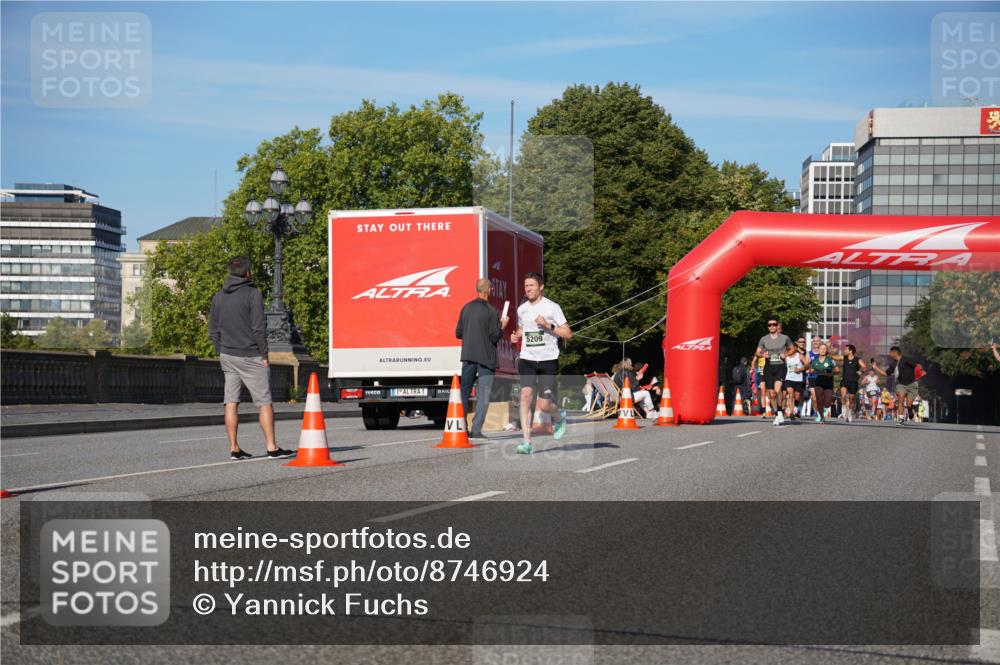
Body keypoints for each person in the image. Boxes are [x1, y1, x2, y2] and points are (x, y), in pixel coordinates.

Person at [208, 256, 293, 460]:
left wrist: (221, 350)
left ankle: (234, 448)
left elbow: (213, 330)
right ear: (248, 273)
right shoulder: (253, 294)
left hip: (228, 356)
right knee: (264, 402)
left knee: (231, 402)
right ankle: (272, 447)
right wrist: (264, 355)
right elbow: (258, 328)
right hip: (251, 355)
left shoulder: (218, 296)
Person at [510, 273, 572, 454]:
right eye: (526, 285)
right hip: (527, 359)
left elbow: (568, 334)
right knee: (525, 398)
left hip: (548, 360)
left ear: (541, 287)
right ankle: (526, 442)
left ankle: (559, 415)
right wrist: (517, 335)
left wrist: (548, 326)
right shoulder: (522, 309)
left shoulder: (552, 307)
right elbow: (523, 328)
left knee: (544, 405)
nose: (528, 289)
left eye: (531, 285)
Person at [455, 278, 509, 438]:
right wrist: (503, 327)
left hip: (468, 357)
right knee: (483, 394)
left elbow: (458, 333)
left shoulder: (466, 308)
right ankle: (476, 429)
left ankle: (461, 428)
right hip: (486, 359)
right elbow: (494, 337)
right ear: (489, 290)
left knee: (464, 393)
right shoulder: (491, 311)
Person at [756, 318, 791, 425]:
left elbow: (792, 348)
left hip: (780, 366)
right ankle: (777, 413)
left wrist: (786, 354)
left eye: (774, 325)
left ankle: (780, 411)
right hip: (769, 367)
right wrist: (763, 355)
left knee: (777, 390)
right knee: (771, 394)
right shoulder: (763, 339)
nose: (771, 326)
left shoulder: (785, 338)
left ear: (777, 326)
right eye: (769, 325)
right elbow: (757, 353)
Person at [874, 346, 919, 426]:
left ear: (895, 353)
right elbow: (886, 374)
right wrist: (875, 367)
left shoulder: (906, 359)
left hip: (912, 384)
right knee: (900, 399)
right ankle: (901, 419)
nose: (889, 354)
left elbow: (916, 365)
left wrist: (918, 368)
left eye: (890, 353)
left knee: (909, 404)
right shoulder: (893, 364)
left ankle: (909, 409)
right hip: (901, 384)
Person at [834, 344, 866, 424]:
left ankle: (850, 412)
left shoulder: (857, 359)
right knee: (843, 396)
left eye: (846, 349)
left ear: (851, 351)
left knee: (852, 399)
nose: (844, 351)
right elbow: (835, 357)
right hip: (844, 380)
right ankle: (844, 409)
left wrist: (861, 371)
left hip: (853, 382)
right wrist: (828, 353)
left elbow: (865, 367)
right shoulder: (844, 358)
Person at [781, 342, 808, 425]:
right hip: (789, 378)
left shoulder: (800, 356)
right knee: (791, 395)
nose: (789, 349)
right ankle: (791, 412)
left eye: (791, 348)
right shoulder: (786, 356)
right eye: (788, 348)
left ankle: (795, 408)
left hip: (799, 379)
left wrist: (800, 369)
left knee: (797, 396)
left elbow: (807, 365)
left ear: (796, 348)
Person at [810, 343, 837, 424]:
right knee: (818, 400)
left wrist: (832, 373)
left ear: (826, 351)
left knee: (827, 404)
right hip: (818, 382)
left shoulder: (830, 360)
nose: (822, 350)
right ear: (818, 350)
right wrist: (811, 371)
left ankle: (824, 410)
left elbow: (837, 370)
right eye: (821, 348)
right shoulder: (814, 361)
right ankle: (821, 417)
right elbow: (811, 370)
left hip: (828, 382)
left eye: (824, 349)